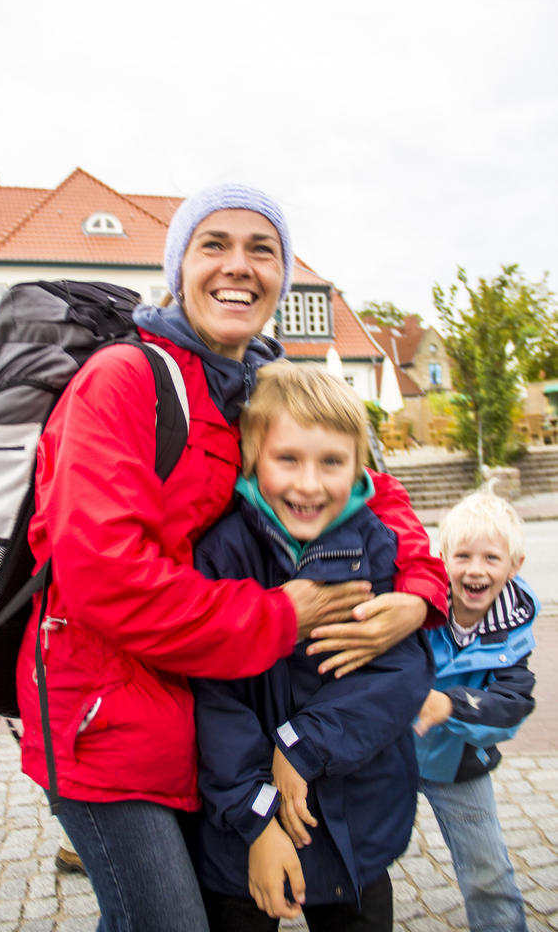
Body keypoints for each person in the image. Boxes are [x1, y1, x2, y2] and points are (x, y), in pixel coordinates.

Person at [15, 182, 448, 932]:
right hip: (111, 723)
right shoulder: (124, 379)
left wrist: (416, 593)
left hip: (206, 716)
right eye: (213, 244)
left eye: (262, 249)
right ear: (177, 265)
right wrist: (279, 616)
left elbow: (374, 501)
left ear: (283, 274)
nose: (237, 266)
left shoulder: (264, 385)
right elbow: (101, 574)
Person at [190, 362, 436, 931]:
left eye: (331, 462)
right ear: (254, 457)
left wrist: (303, 743)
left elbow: (399, 673)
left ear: (358, 469)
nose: (308, 484)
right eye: (288, 459)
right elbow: (210, 694)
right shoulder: (223, 555)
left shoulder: (374, 546)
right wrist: (255, 817)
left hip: (357, 826)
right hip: (243, 839)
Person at [413, 487, 537, 932]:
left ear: (514, 566)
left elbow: (512, 705)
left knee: (488, 873)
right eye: (462, 556)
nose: (475, 570)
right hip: (393, 755)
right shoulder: (420, 605)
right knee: (366, 858)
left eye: (491, 558)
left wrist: (451, 703)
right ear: (443, 557)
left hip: (459, 765)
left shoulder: (513, 634)